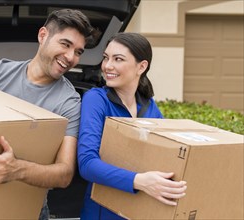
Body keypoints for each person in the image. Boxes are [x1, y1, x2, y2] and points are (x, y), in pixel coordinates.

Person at [0, 8, 98, 220]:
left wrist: (15, 169)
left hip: (29, 210)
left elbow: (64, 174)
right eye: (65, 44)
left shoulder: (69, 102)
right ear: (42, 35)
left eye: (78, 51)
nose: (70, 57)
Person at [77, 32, 187, 219]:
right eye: (105, 58)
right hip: (103, 212)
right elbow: (87, 164)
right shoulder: (96, 100)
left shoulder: (149, 107)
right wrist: (140, 181)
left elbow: (166, 157)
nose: (107, 66)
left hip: (142, 210)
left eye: (118, 59)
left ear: (141, 66)